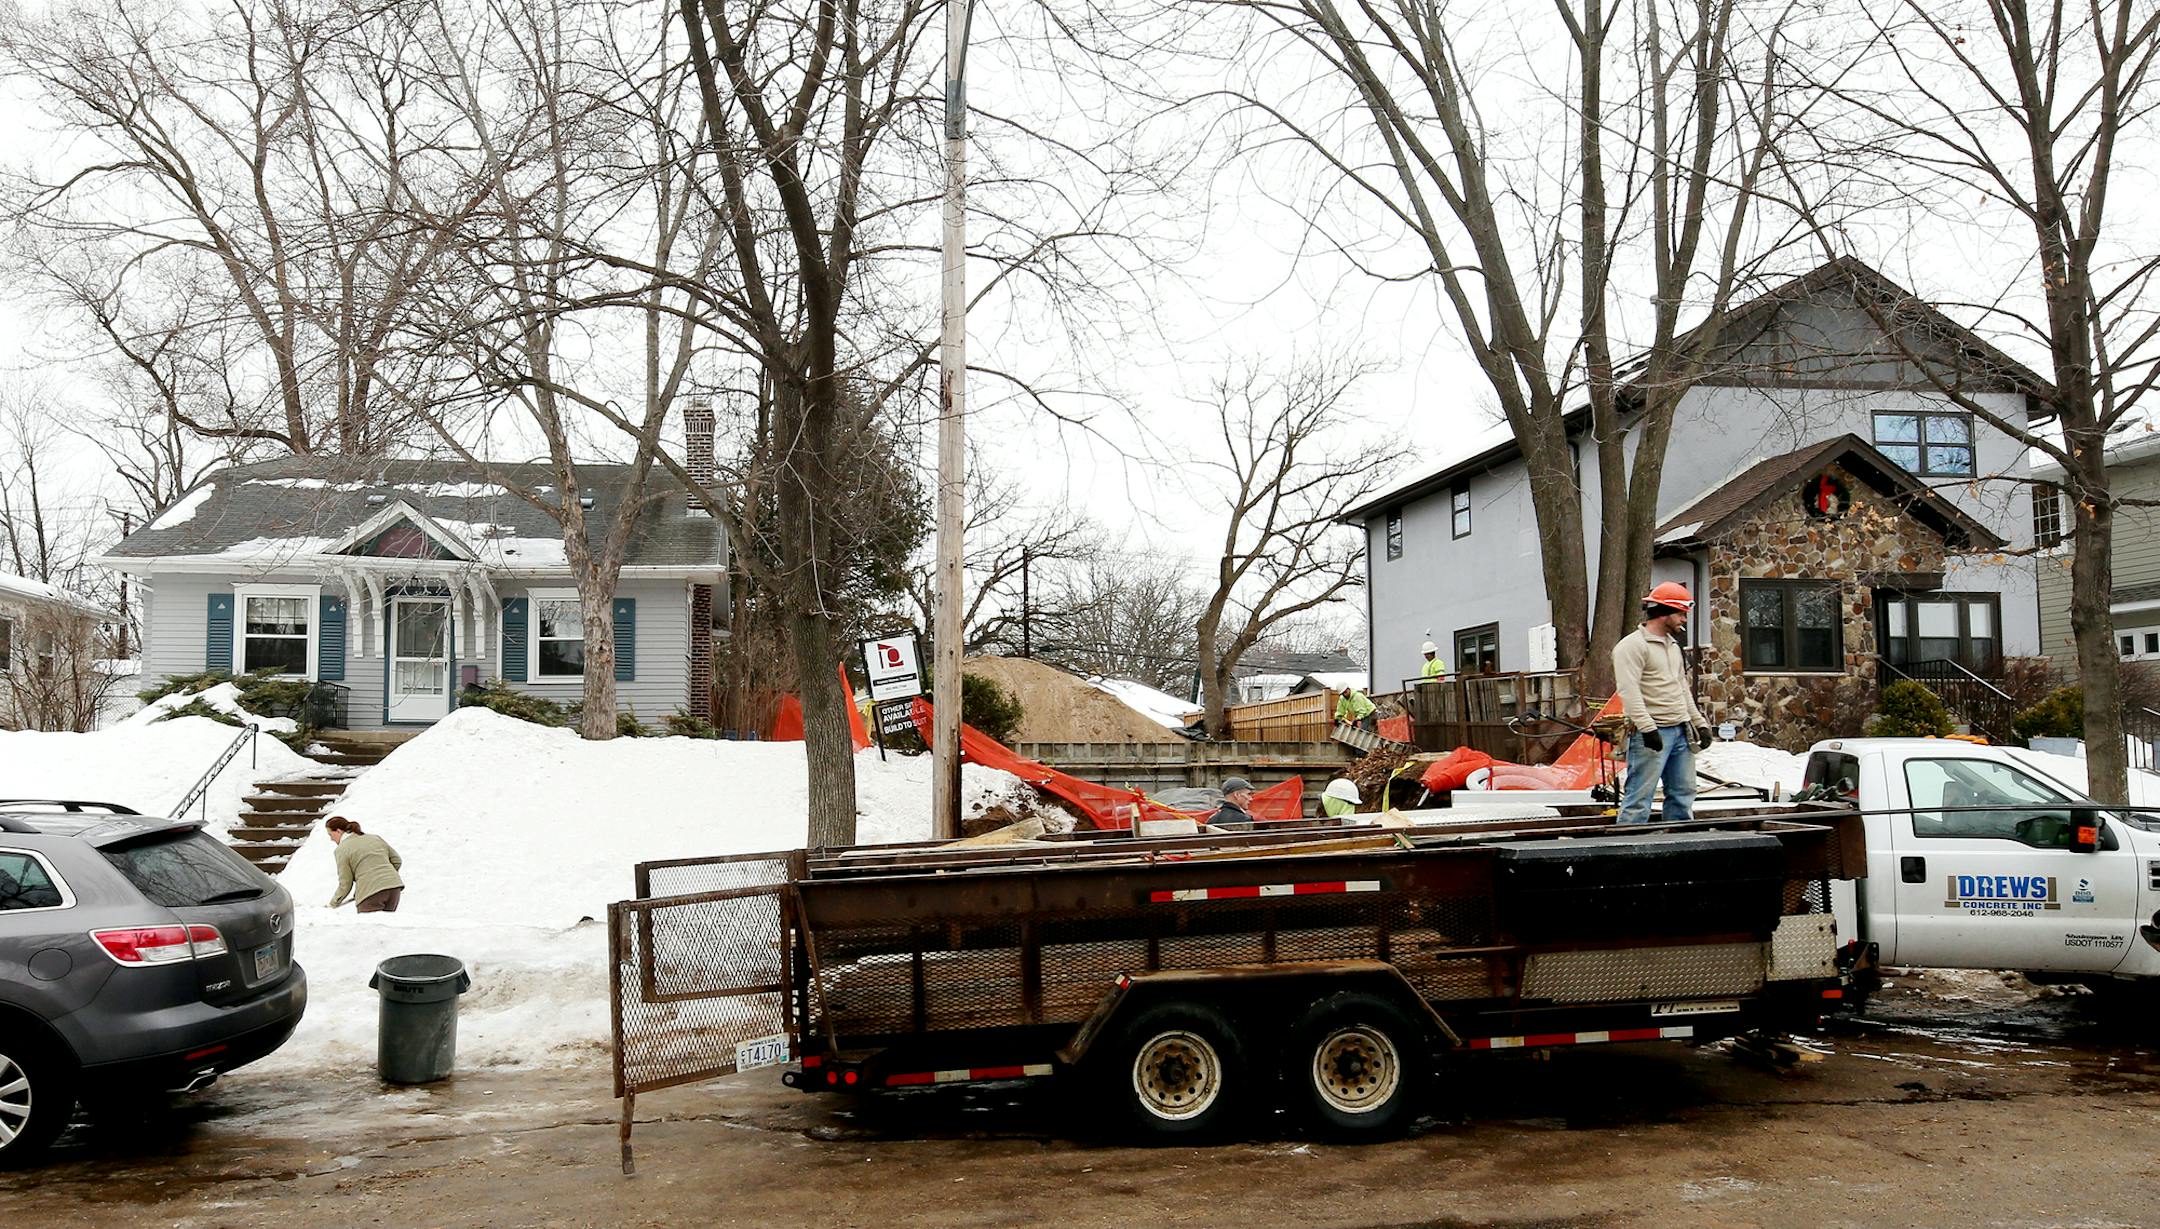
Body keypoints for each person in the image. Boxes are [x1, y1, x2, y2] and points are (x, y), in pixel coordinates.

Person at [1612, 582, 1713, 825]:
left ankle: (1679, 847)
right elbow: (1629, 691)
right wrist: (1647, 728)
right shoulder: (1631, 646)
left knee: (1683, 794)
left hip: (1680, 731)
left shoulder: (1672, 646)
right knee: (1639, 797)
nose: (1683, 620)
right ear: (1664, 612)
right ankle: (1627, 851)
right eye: (1680, 614)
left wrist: (1699, 723)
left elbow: (1681, 688)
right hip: (1651, 733)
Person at [326, 816, 405, 912]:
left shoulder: (342, 849)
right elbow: (397, 861)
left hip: (370, 893)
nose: (331, 839)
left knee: (369, 926)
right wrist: (386, 878)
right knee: (385, 925)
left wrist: (333, 903)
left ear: (338, 831)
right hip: (393, 889)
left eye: (330, 835)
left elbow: (346, 883)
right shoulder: (375, 838)